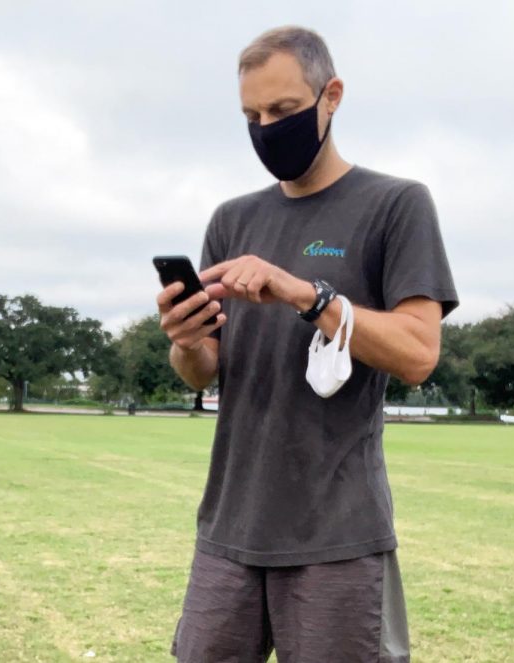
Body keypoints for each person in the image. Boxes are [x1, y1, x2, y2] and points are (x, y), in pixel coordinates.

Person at [157, 26, 459, 663]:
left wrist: (310, 296)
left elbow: (418, 354)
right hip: (227, 529)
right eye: (252, 115)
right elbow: (204, 372)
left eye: (284, 110)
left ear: (332, 96)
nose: (267, 127)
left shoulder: (396, 205)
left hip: (337, 538)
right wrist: (186, 343)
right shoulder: (231, 220)